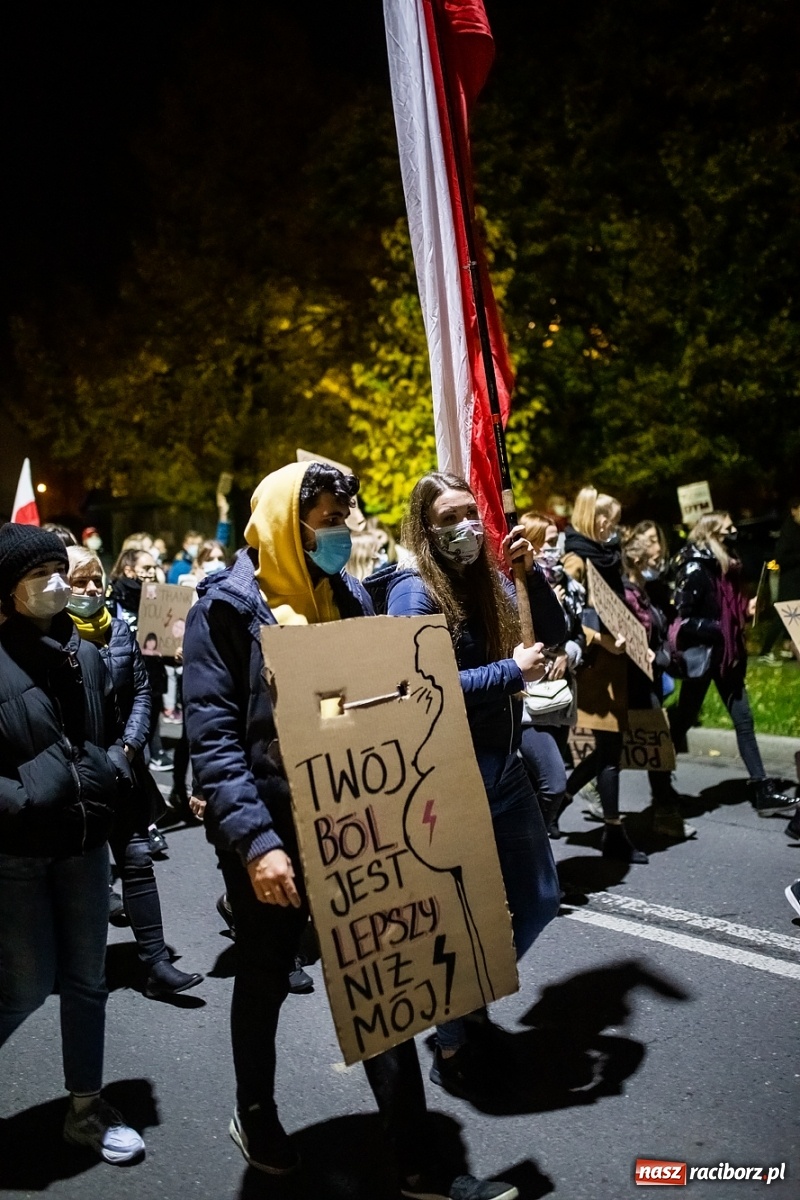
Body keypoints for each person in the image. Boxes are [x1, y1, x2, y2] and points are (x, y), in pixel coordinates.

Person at [183, 462, 519, 1200]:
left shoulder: (348, 594)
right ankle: (256, 1109)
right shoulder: (227, 609)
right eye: (328, 518)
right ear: (285, 520)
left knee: (379, 976)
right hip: (271, 829)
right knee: (266, 974)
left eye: (345, 517)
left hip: (349, 821)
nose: (341, 532)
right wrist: (258, 844)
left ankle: (419, 1162)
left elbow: (361, 702)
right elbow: (213, 742)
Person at [384, 474, 565, 1097]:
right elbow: (421, 687)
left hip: (506, 771)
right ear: (424, 527)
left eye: (470, 512)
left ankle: (463, 1005)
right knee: (459, 917)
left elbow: (549, 639)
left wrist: (530, 574)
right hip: (450, 777)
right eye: (447, 516)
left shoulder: (489, 579)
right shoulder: (414, 592)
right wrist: (507, 672)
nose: (463, 526)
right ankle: (457, 1032)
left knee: (539, 898)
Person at [0, 523, 144, 1164]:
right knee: (26, 986)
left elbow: (98, 732)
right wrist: (22, 800)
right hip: (19, 851)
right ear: (8, 592)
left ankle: (86, 1107)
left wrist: (108, 773)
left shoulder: (82, 653)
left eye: (64, 571)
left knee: (88, 979)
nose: (60, 586)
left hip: (84, 842)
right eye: (43, 576)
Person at [66, 546, 203, 999]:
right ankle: (78, 969)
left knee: (138, 861)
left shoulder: (120, 631)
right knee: (81, 875)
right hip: (78, 779)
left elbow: (142, 693)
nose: (90, 589)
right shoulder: (50, 640)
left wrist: (128, 746)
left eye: (94, 579)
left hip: (124, 769)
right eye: (78, 581)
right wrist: (92, 760)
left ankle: (156, 965)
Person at [669, 511, 798, 818]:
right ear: (712, 533)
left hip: (727, 655)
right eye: (727, 529)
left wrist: (747, 606)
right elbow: (682, 615)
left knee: (744, 720)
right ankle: (660, 784)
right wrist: (718, 628)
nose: (733, 532)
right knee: (683, 720)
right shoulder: (696, 567)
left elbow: (730, 603)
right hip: (706, 655)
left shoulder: (724, 564)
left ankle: (762, 790)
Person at [562, 486, 649, 863]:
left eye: (614, 519)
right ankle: (613, 834)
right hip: (596, 663)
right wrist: (604, 641)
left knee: (607, 750)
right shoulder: (576, 557)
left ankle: (556, 802)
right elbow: (568, 617)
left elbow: (616, 607)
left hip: (617, 658)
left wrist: (635, 640)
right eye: (604, 518)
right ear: (587, 514)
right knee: (609, 751)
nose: (610, 526)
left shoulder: (607, 554)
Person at [622, 528, 695, 840]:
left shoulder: (647, 590)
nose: (658, 557)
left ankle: (664, 807)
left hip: (649, 677)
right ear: (636, 559)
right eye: (651, 552)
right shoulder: (626, 592)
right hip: (635, 681)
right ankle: (664, 811)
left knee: (648, 746)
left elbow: (659, 630)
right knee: (654, 745)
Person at [516, 511, 585, 839]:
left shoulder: (570, 585)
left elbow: (577, 633)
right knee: (553, 782)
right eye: (544, 544)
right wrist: (545, 653)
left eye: (556, 544)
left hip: (558, 700)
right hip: (529, 704)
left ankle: (539, 864)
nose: (550, 552)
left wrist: (569, 652)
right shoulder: (514, 584)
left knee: (539, 785)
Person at [759, 499, 800, 664]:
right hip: (790, 581)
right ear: (794, 510)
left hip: (796, 580)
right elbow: (780, 558)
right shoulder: (789, 531)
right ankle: (765, 651)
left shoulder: (796, 529)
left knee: (793, 617)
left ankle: (791, 648)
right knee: (785, 616)